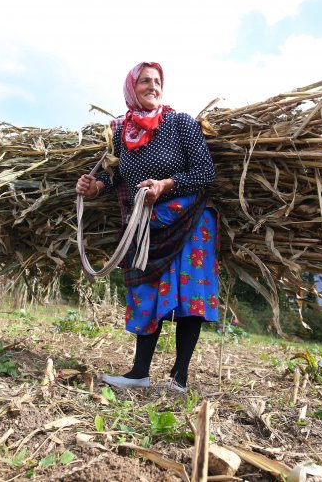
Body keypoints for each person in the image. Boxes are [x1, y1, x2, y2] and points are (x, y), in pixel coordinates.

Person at [76, 61, 217, 393]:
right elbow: (119, 177)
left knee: (188, 295)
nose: (152, 86)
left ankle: (179, 379)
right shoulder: (123, 133)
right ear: (131, 88)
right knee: (145, 293)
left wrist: (165, 185)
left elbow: (205, 172)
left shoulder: (180, 123)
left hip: (190, 219)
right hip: (146, 223)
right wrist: (96, 186)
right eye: (144, 81)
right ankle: (139, 372)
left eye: (157, 81)